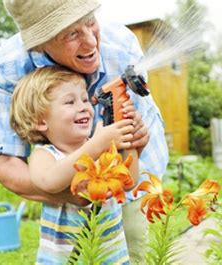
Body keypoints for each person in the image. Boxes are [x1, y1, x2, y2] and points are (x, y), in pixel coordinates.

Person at [0, 0, 169, 263]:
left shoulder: (120, 45)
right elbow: (10, 164)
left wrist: (133, 143)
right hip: (65, 219)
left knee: (136, 247)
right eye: (72, 33)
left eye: (90, 22)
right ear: (41, 43)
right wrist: (82, 190)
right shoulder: (11, 66)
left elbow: (128, 179)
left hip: (124, 202)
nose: (91, 43)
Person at [10, 66, 137, 264]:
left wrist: (129, 137)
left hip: (111, 257)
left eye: (85, 99)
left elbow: (128, 181)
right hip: (64, 259)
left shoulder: (99, 148)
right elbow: (49, 181)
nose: (84, 106)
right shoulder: (45, 155)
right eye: (70, 102)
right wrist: (97, 144)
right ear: (40, 121)